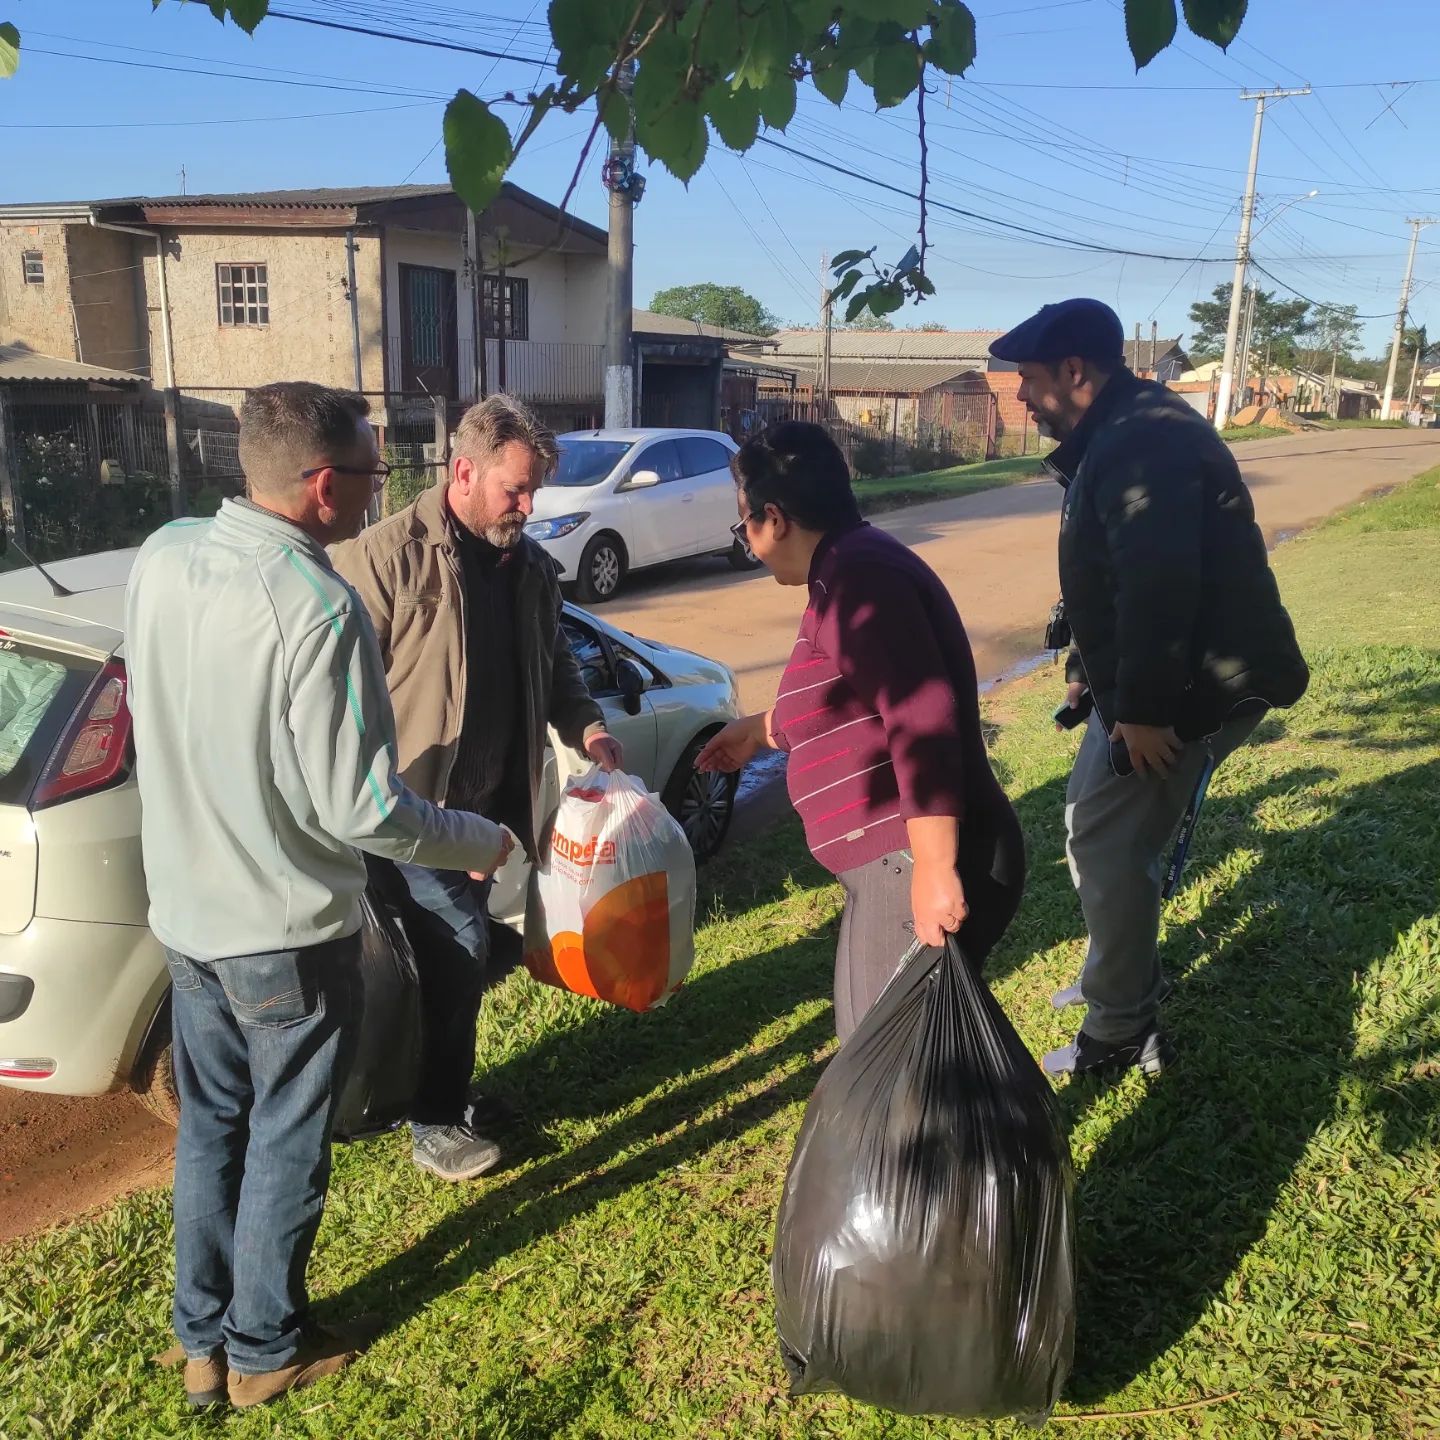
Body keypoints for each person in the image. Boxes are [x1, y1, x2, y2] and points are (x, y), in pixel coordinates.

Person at [127, 383, 515, 1411]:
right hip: (283, 935)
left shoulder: (163, 556)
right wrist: (480, 839)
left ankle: (199, 1336)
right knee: (288, 1134)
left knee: (213, 1125)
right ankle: (262, 1349)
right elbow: (365, 809)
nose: (375, 491)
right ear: (320, 484)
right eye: (368, 473)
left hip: (185, 919)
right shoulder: (316, 602)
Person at [989, 299, 1309, 1079]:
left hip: (1198, 683)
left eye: (1028, 380)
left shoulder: (1143, 442)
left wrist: (1139, 709)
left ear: (1075, 372)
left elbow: (1160, 585)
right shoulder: (1121, 431)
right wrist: (1085, 675)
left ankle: (1123, 1030)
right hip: (1159, 676)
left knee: (1106, 838)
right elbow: (1108, 576)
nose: (1021, 397)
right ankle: (1119, 985)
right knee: (1095, 828)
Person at [331, 394, 622, 1181]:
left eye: (533, 494)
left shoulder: (528, 565)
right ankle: (431, 1119)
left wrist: (586, 725)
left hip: (489, 809)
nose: (526, 509)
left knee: (456, 952)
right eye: (513, 491)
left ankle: (440, 1090)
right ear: (464, 470)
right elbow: (331, 691)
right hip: (410, 808)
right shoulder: (386, 557)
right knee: (460, 947)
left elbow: (556, 661)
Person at [696, 421, 1025, 1041]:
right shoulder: (844, 568)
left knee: (887, 1061)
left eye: (745, 530)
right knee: (886, 1053)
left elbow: (921, 718)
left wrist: (933, 867)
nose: (751, 547)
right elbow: (850, 696)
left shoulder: (860, 580)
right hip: (892, 867)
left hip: (911, 861)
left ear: (776, 518)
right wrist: (761, 731)